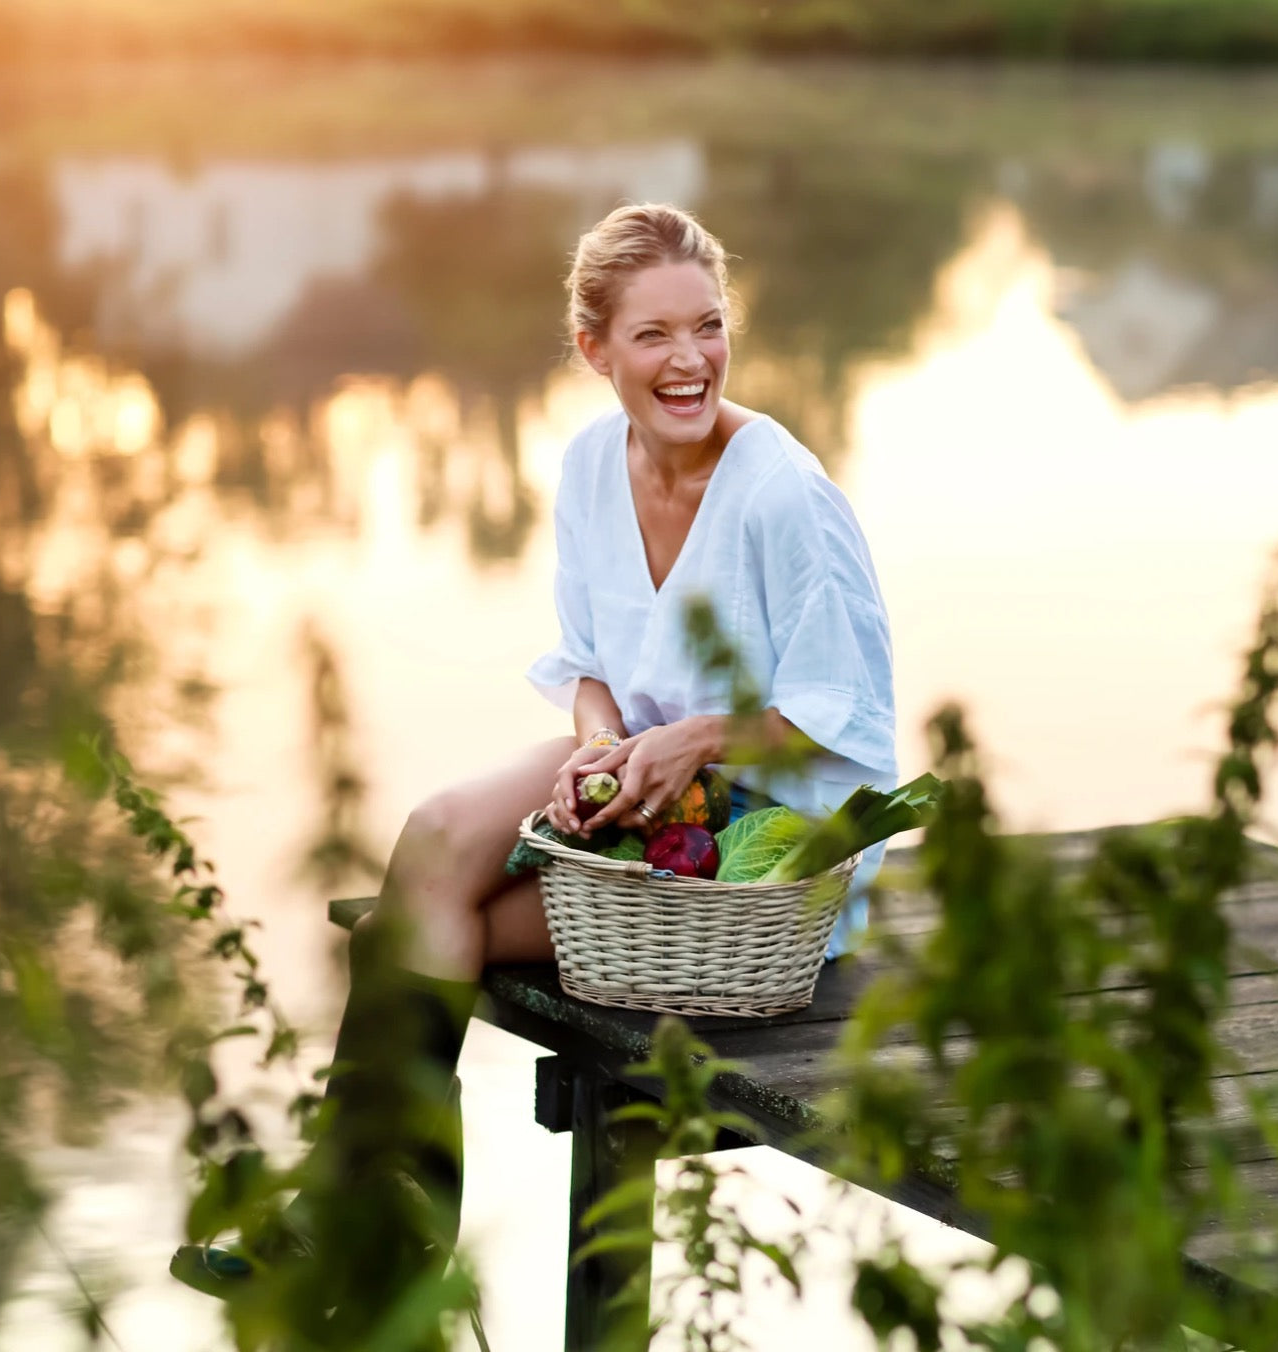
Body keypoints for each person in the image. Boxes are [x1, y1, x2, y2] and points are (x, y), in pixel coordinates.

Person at [171, 201, 895, 1312]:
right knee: (434, 837)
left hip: (759, 842)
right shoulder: (588, 469)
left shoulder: (782, 493)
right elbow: (589, 665)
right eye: (652, 334)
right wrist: (603, 743)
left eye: (706, 326)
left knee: (407, 929)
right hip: (641, 777)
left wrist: (693, 737)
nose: (690, 359)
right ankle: (369, 1204)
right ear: (592, 347)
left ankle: (374, 1213)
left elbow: (844, 721)